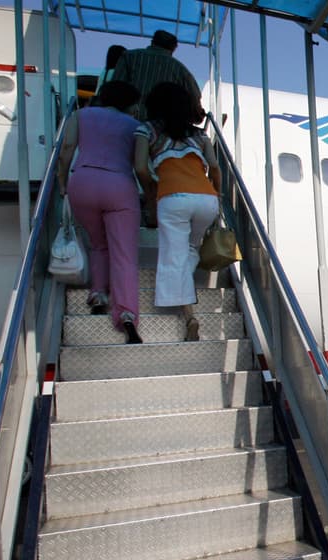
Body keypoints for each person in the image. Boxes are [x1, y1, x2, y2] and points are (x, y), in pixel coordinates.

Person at [134, 81, 221, 342]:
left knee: (173, 257)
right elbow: (215, 167)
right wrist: (217, 193)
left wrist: (151, 193)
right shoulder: (198, 135)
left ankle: (190, 316)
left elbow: (139, 168)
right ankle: (186, 297)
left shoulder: (146, 130)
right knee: (190, 249)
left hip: (173, 198)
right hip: (206, 200)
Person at [57, 80, 143, 344]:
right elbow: (139, 162)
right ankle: (126, 315)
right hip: (119, 185)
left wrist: (63, 182)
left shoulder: (80, 115)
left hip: (83, 182)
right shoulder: (135, 126)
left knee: (97, 244)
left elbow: (67, 150)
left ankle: (98, 296)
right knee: (124, 254)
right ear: (130, 102)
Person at [113, 30, 202, 122]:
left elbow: (116, 87)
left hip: (127, 122)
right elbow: (195, 97)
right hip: (160, 129)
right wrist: (197, 116)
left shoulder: (128, 57)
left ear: (152, 42)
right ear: (173, 49)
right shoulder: (180, 70)